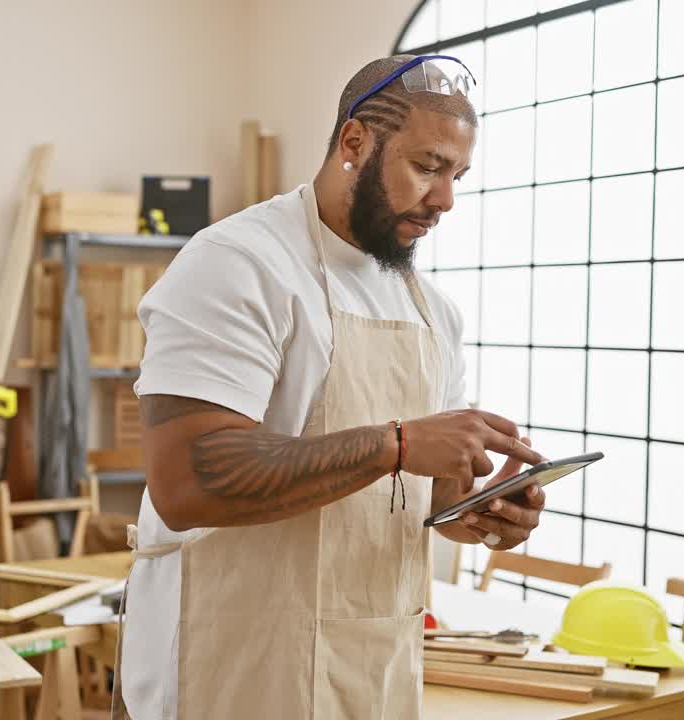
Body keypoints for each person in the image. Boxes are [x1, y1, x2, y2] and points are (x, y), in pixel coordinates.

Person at [115, 54, 549, 720]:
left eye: (457, 175)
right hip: (227, 666)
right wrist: (398, 443)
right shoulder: (238, 264)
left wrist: (479, 514)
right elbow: (186, 483)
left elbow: (428, 496)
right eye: (427, 167)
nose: (446, 200)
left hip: (371, 672)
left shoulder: (434, 311)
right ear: (354, 143)